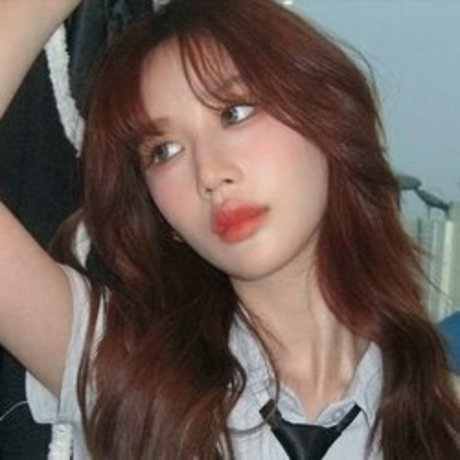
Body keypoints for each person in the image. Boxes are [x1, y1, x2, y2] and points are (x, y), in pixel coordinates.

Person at [0, 0, 458, 458]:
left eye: (234, 112)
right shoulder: (122, 363)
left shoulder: (441, 420)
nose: (209, 173)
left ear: (327, 117)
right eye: (164, 151)